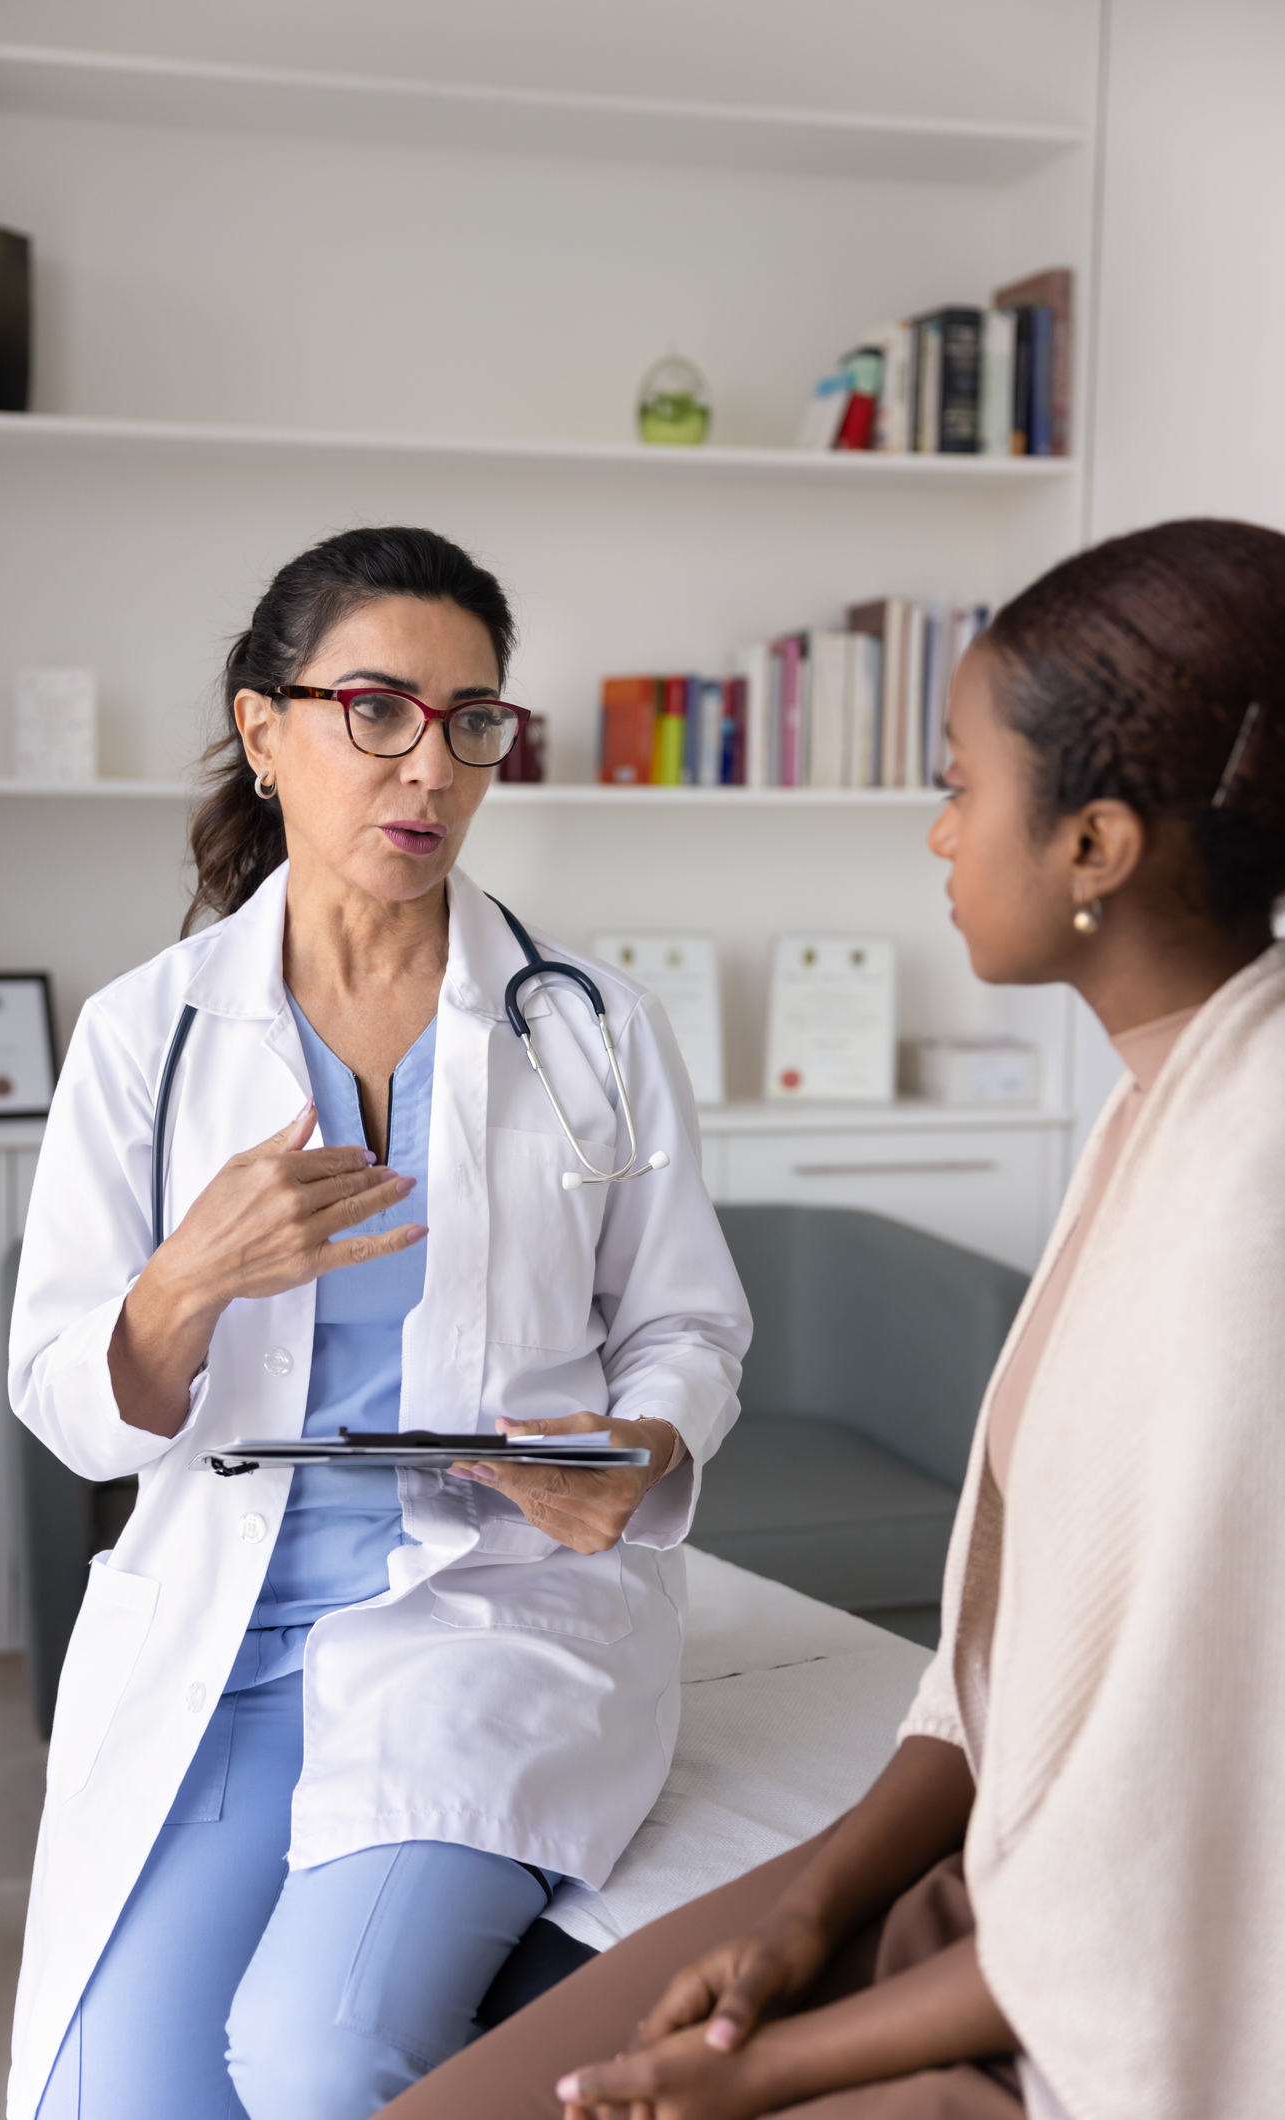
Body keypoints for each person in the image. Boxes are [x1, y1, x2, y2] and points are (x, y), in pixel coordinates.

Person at [369, 517, 1285, 2120]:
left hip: (1111, 2006)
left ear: (1094, 847)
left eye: (957, 783)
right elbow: (1000, 1670)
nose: (936, 836)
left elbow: (1155, 1869)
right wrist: (806, 1910)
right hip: (1001, 1897)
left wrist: (766, 2065)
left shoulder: (1249, 1190)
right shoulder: (1165, 1102)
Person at [6, 525, 751, 2120]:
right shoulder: (145, 1035)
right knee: (121, 2098)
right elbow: (65, 1396)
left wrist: (636, 1444)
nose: (429, 763)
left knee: (317, 2051)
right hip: (223, 1628)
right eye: (376, 708)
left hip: (489, 1614)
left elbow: (687, 1321)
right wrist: (186, 1281)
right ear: (263, 728)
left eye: (472, 718)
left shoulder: (590, 1024)